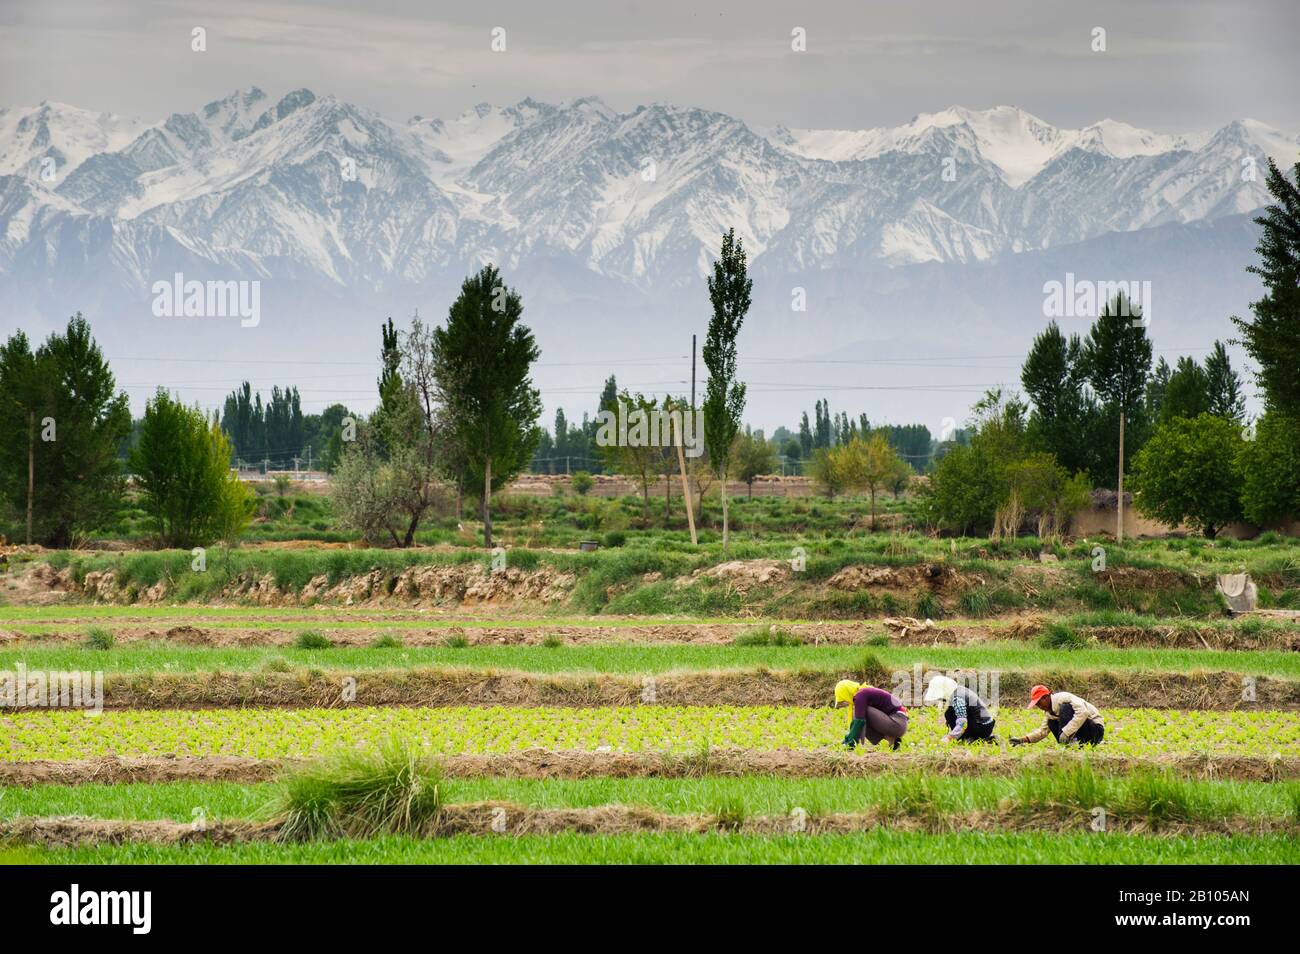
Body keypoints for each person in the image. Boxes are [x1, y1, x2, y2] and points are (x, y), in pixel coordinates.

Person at [1009, 684, 1105, 747]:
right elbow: (1042, 731)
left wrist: (1066, 732)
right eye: (1037, 705)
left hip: (1095, 730)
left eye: (1039, 703)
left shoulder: (1064, 698)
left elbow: (1083, 712)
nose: (1039, 707)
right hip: (1081, 733)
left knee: (1065, 708)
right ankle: (1072, 745)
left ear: (1046, 697)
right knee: (1051, 722)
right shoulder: (1049, 712)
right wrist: (1022, 740)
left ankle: (1073, 742)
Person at [834, 679, 907, 750]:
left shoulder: (860, 695)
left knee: (859, 713)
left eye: (843, 698)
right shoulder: (863, 692)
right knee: (860, 713)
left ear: (846, 693)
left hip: (897, 723)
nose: (845, 702)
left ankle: (890, 738)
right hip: (897, 723)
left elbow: (858, 722)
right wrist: (846, 740)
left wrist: (849, 743)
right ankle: (891, 741)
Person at [923, 674, 996, 743]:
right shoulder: (959, 689)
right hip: (987, 725)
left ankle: (969, 737)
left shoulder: (957, 698)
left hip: (982, 727)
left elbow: (962, 722)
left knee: (949, 714)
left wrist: (949, 737)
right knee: (951, 711)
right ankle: (971, 736)